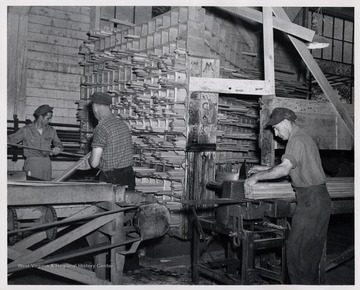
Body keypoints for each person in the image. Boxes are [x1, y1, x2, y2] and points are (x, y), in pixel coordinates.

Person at [244, 107, 331, 285]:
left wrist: (256, 177)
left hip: (311, 203)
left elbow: (283, 169)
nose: (276, 134)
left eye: (276, 129)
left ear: (284, 123)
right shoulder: (302, 137)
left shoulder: (296, 140)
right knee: (308, 261)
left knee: (297, 257)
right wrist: (263, 169)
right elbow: (290, 167)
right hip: (317, 200)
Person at [79, 92, 135, 190]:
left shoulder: (101, 128)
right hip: (129, 175)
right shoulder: (122, 124)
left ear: (95, 107)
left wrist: (88, 161)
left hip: (112, 179)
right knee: (128, 204)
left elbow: (94, 163)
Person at [7, 104, 63, 181]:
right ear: (40, 117)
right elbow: (9, 141)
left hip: (46, 164)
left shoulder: (51, 130)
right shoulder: (26, 130)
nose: (50, 121)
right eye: (48, 118)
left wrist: (58, 149)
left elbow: (59, 144)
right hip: (32, 164)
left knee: (45, 189)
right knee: (32, 189)